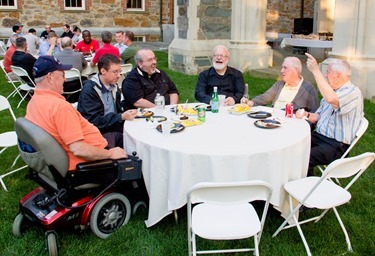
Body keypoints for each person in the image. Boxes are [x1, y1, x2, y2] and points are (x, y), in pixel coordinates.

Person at [25, 56, 127, 171]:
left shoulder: (34, 101)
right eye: (63, 75)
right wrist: (110, 154)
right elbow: (79, 149)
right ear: (50, 77)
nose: (65, 80)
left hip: (63, 160)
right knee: (132, 149)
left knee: (121, 137)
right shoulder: (60, 108)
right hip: (89, 164)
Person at [296, 53, 364, 176]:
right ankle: (292, 180)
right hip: (318, 136)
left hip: (336, 145)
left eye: (327, 72)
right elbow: (317, 117)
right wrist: (305, 114)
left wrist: (316, 71)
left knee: (304, 157)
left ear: (337, 75)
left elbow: (332, 99)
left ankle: (306, 189)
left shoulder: (353, 92)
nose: (325, 75)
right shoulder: (331, 92)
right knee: (292, 146)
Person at [78, 54, 137, 148]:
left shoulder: (114, 86)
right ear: (103, 71)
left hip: (113, 127)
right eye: (115, 72)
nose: (119, 76)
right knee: (132, 147)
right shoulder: (90, 90)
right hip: (99, 132)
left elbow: (117, 110)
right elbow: (93, 121)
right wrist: (120, 117)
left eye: (120, 71)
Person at [247, 57, 319, 112]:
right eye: (282, 67)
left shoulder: (308, 89)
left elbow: (314, 114)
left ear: (295, 71)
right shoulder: (280, 84)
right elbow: (265, 97)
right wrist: (252, 102)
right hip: (272, 119)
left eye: (285, 68)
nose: (281, 71)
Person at [55, 37, 88, 102]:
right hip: (76, 84)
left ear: (61, 45)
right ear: (71, 44)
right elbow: (85, 65)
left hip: (62, 84)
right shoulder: (79, 55)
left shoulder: (56, 56)